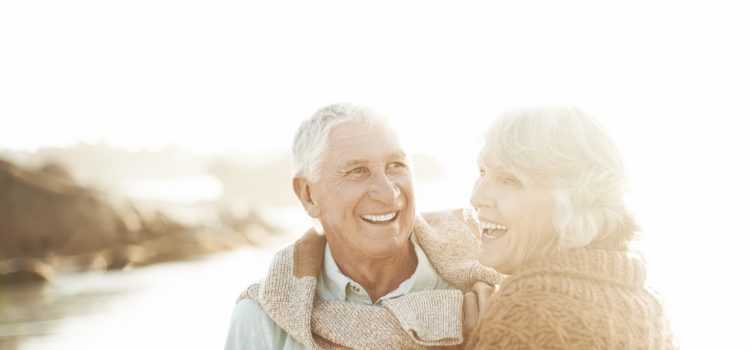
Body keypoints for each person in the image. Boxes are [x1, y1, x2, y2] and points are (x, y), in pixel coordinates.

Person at [224, 103, 502, 349]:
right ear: (308, 195)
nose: (388, 192)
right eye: (357, 171)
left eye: (396, 165)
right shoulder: (263, 317)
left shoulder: (492, 284)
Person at [464, 106, 675, 349]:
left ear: (576, 201)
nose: (477, 197)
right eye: (482, 172)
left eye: (510, 180)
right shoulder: (648, 307)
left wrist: (483, 337)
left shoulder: (529, 314)